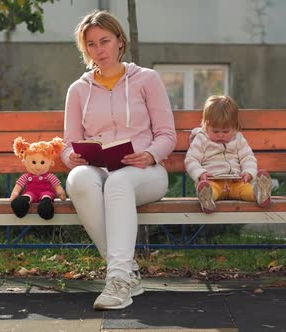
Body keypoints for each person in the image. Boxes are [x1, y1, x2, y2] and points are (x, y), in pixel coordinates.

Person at [61, 10, 176, 310]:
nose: (99, 49)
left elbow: (167, 134)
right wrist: (70, 156)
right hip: (99, 168)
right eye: (91, 44)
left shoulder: (147, 80)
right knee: (78, 179)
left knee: (119, 181)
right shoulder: (78, 90)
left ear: (120, 41)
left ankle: (119, 282)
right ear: (84, 49)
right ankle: (125, 274)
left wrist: (149, 153)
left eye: (105, 41)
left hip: (145, 172)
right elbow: (67, 143)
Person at [184, 95, 273, 214]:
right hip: (213, 181)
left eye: (226, 131)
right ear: (206, 125)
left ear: (235, 126)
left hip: (236, 182)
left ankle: (260, 193)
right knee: (212, 190)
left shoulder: (238, 139)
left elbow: (248, 158)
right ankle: (206, 197)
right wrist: (200, 174)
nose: (221, 135)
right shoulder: (201, 139)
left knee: (246, 190)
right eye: (215, 131)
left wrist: (249, 173)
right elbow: (191, 159)